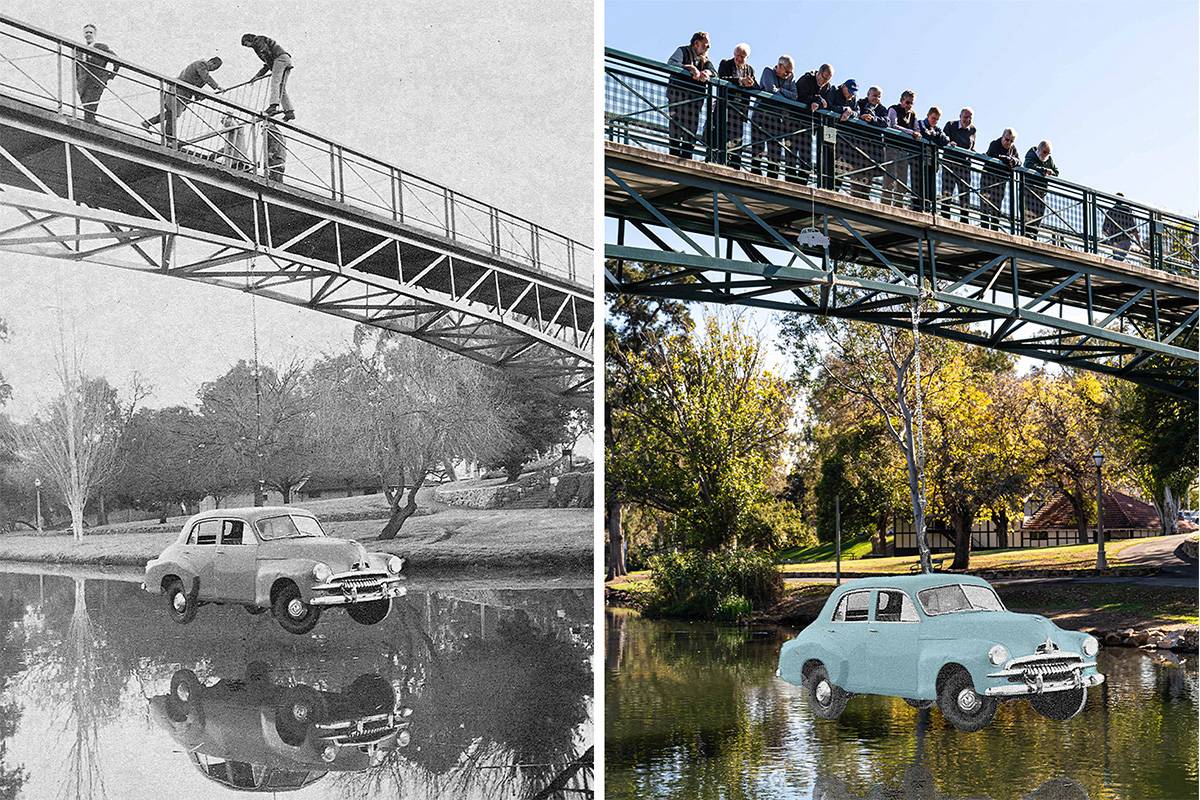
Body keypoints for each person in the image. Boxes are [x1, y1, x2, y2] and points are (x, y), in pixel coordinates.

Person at [141, 56, 223, 143]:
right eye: (213, 67)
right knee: (173, 113)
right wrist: (217, 87)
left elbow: (196, 87)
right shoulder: (201, 65)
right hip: (177, 89)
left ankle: (149, 123)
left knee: (171, 113)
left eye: (215, 69)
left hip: (182, 93)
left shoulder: (203, 74)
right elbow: (205, 77)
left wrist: (199, 96)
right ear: (211, 62)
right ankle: (169, 139)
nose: (212, 70)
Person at [666, 32, 716, 159]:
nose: (708, 48)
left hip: (695, 101)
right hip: (678, 96)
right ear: (696, 43)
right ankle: (674, 156)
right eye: (706, 45)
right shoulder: (682, 51)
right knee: (676, 126)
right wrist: (689, 68)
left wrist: (707, 73)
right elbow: (671, 64)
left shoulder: (705, 60)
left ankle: (687, 157)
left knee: (691, 129)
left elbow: (715, 73)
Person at [749, 55, 796, 179]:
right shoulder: (768, 72)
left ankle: (772, 177)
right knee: (758, 147)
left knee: (775, 151)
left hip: (776, 119)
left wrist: (780, 90)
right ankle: (755, 175)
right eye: (786, 71)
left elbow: (795, 96)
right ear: (779, 66)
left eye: (790, 72)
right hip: (760, 115)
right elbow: (770, 90)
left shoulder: (790, 78)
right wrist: (784, 94)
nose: (788, 74)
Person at [715, 43, 758, 169]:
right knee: (722, 137)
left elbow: (756, 87)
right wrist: (740, 81)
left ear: (747, 58)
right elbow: (722, 78)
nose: (739, 59)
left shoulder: (750, 70)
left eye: (742, 57)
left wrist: (751, 83)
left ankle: (736, 166)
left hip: (740, 110)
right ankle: (722, 164)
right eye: (737, 55)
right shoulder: (725, 64)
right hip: (726, 107)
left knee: (738, 139)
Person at [790, 63, 834, 182]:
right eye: (823, 77)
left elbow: (827, 104)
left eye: (827, 79)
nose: (824, 81)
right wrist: (816, 100)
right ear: (818, 73)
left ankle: (803, 180)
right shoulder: (806, 79)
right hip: (795, 121)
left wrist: (818, 102)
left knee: (806, 153)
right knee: (792, 150)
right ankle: (790, 178)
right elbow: (799, 97)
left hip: (810, 124)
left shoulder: (828, 87)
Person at [242, 34, 295, 121]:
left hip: (280, 58)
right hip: (286, 59)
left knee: (275, 83)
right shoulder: (260, 42)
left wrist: (273, 69)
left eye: (246, 43)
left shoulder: (258, 41)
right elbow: (267, 64)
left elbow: (265, 53)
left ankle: (273, 106)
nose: (248, 46)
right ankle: (289, 111)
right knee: (281, 87)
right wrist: (257, 76)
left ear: (249, 39)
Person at [849, 85, 889, 200]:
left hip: (873, 148)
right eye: (874, 95)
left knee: (869, 172)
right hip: (859, 144)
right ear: (868, 94)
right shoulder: (860, 103)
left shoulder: (882, 109)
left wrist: (873, 119)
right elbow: (855, 113)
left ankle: (866, 196)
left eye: (879, 96)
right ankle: (855, 196)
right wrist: (862, 117)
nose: (876, 98)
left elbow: (886, 122)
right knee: (857, 170)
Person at [883, 89, 921, 206]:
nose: (909, 105)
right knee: (890, 178)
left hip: (904, 150)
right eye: (907, 102)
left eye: (911, 103)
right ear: (902, 100)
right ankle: (885, 204)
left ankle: (898, 205)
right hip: (892, 147)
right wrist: (911, 132)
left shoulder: (913, 114)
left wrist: (915, 133)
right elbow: (893, 125)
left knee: (902, 180)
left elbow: (917, 129)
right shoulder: (893, 109)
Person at [75, 24, 119, 124]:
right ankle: (90, 121)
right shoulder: (79, 50)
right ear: (83, 34)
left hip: (96, 81)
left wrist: (110, 75)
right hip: (83, 82)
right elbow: (76, 67)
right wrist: (77, 80)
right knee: (86, 105)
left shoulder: (101, 47)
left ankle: (89, 124)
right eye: (86, 32)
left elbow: (116, 60)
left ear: (95, 34)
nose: (88, 34)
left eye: (91, 32)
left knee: (91, 104)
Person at [942, 107, 976, 222]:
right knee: (947, 191)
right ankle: (945, 216)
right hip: (950, 164)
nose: (968, 120)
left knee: (965, 194)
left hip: (965, 167)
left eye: (970, 117)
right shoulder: (950, 125)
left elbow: (971, 147)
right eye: (966, 117)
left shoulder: (973, 130)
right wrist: (949, 142)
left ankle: (964, 219)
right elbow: (943, 140)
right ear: (960, 117)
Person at [980, 128, 1019, 230]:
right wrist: (1006, 160)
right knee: (985, 203)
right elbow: (994, 156)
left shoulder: (1013, 148)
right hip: (988, 178)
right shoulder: (994, 144)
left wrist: (1013, 160)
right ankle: (984, 227)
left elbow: (1019, 161)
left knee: (997, 206)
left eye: (1011, 141)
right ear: (1002, 137)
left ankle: (995, 228)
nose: (1009, 143)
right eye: (1007, 140)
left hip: (1001, 181)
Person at [1022, 140, 1059, 239]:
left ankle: (1034, 236)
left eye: (1048, 153)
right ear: (1039, 149)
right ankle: (1027, 236)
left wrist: (1051, 172)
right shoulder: (1031, 155)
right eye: (1044, 152)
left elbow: (1057, 172)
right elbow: (1028, 165)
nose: (1046, 155)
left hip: (1041, 192)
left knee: (1039, 215)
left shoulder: (1049, 159)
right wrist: (1043, 170)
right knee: (1028, 215)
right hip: (1029, 190)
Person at [1102, 193, 1143, 262]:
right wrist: (1140, 245)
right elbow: (1135, 230)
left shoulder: (1110, 212)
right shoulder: (1128, 211)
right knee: (1119, 260)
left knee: (1117, 260)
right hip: (1125, 240)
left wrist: (1111, 239)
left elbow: (1104, 230)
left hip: (1115, 242)